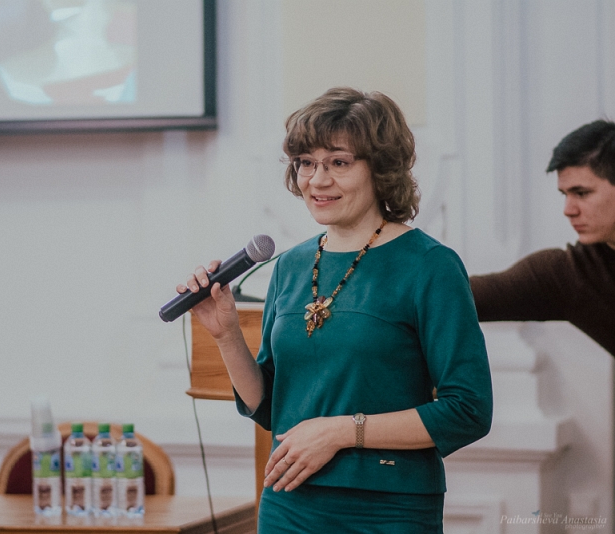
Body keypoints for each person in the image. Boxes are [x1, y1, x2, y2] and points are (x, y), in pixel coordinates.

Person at [177, 87, 493, 533]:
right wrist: (226, 334)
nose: (317, 180)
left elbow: (468, 410)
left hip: (389, 508)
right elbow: (268, 407)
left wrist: (341, 432)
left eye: (338, 163)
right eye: (306, 162)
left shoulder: (430, 266)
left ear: (380, 168)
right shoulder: (289, 265)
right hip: (288, 503)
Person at [470, 119, 615, 356]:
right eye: (565, 194)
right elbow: (463, 295)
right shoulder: (574, 273)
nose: (568, 210)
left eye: (581, 193)